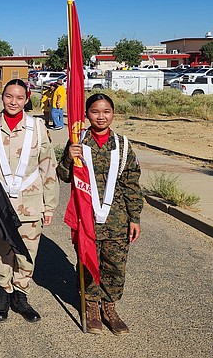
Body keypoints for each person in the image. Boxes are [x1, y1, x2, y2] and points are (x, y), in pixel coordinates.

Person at [0, 79, 59, 323]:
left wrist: (49, 205)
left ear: (27, 99)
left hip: (30, 203)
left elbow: (48, 167)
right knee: (0, 253)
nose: (13, 101)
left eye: (19, 98)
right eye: (9, 96)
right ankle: (2, 293)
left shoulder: (37, 128)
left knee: (26, 253)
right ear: (2, 97)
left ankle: (20, 295)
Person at [56, 93, 142, 335]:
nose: (101, 117)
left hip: (118, 220)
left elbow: (132, 183)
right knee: (87, 262)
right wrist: (69, 159)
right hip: (88, 217)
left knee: (115, 265)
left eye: (106, 112)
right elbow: (63, 175)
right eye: (95, 112)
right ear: (86, 115)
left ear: (113, 114)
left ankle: (109, 307)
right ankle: (91, 306)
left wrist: (135, 217)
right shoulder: (78, 141)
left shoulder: (123, 145)